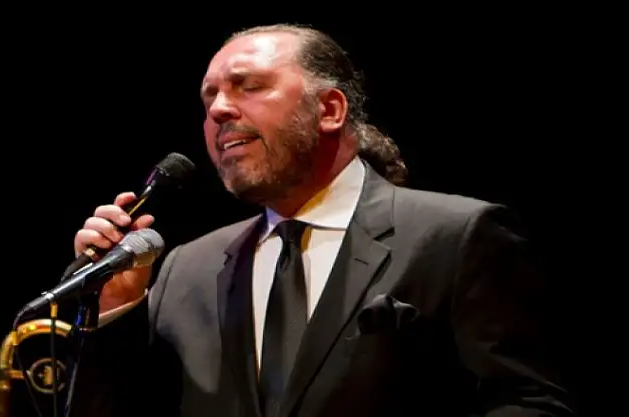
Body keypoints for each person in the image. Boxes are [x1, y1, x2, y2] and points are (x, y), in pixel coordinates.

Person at [68, 24, 575, 417]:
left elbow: (531, 403)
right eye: (209, 98)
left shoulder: (456, 238)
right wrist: (114, 311)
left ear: (330, 109)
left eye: (248, 87)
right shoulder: (186, 271)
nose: (219, 109)